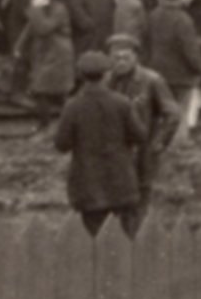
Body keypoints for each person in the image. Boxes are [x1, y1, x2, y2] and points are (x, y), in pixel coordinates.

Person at [48, 52, 147, 235]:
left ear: (80, 75)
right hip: (121, 181)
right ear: (107, 74)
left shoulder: (73, 106)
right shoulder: (122, 103)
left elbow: (61, 144)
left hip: (88, 184)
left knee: (94, 238)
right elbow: (140, 136)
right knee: (125, 239)